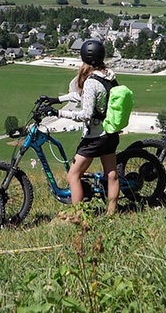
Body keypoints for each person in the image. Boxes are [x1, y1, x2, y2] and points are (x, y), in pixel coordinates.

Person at [42, 39, 120, 215]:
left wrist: (58, 113)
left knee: (73, 175)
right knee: (111, 174)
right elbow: (84, 97)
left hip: (95, 137)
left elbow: (85, 114)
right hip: (110, 133)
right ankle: (111, 213)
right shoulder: (109, 75)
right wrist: (57, 99)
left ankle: (79, 215)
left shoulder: (91, 81)